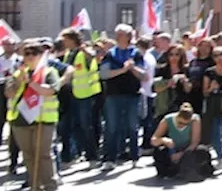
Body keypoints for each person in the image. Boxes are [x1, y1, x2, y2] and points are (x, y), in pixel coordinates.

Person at [5, 39, 61, 191]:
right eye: (26, 54)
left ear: (40, 55)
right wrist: (18, 81)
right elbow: (9, 93)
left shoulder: (49, 73)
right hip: (20, 119)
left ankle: (50, 184)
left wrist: (31, 83)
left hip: (43, 118)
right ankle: (35, 186)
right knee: (28, 154)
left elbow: (50, 90)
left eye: (33, 53)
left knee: (43, 153)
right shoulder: (18, 73)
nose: (29, 57)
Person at [100, 24, 145, 170]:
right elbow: (104, 74)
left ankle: (134, 157)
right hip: (113, 95)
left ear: (128, 36)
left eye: (121, 34)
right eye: (117, 33)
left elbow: (144, 75)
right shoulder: (110, 54)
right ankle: (110, 158)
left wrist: (132, 68)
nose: (118, 36)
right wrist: (123, 70)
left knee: (133, 126)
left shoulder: (136, 53)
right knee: (112, 127)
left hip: (133, 95)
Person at [57, 28, 100, 165]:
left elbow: (93, 56)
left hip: (83, 95)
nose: (63, 42)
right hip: (69, 95)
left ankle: (92, 156)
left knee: (85, 125)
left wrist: (85, 49)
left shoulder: (83, 51)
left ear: (71, 39)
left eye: (65, 40)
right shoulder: (68, 53)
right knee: (67, 126)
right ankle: (70, 155)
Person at [150, 102, 207, 181]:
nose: (182, 126)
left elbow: (195, 142)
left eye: (185, 124)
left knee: (202, 150)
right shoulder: (167, 119)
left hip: (187, 149)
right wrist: (163, 140)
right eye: (180, 123)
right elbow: (153, 140)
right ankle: (168, 172)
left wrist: (181, 154)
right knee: (159, 151)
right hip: (172, 148)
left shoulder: (195, 120)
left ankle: (190, 171)